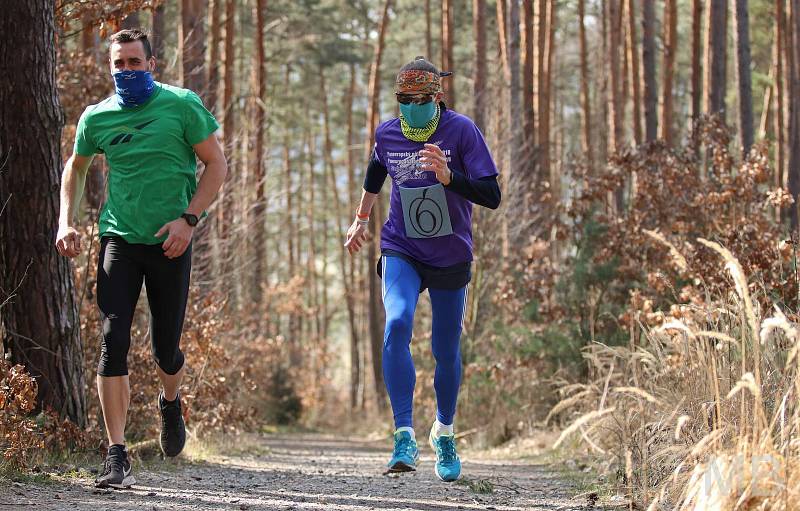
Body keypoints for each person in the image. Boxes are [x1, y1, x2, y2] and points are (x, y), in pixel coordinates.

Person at [55, 29, 227, 489]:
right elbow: (76, 164)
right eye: (120, 65)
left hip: (171, 240)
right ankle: (117, 455)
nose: (127, 71)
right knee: (113, 339)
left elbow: (217, 164)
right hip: (119, 238)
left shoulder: (182, 104)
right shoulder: (98, 116)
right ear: (110, 68)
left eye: (135, 62)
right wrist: (64, 222)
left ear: (152, 63)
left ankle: (170, 401)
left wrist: (189, 220)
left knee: (165, 348)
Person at [344, 56, 501, 482]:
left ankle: (444, 432)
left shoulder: (462, 131)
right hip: (402, 247)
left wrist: (450, 177)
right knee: (397, 323)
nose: (411, 105)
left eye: (420, 98)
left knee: (445, 350)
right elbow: (377, 168)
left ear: (436, 97)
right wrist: (360, 219)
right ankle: (403, 435)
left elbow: (492, 194)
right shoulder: (389, 133)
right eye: (403, 99)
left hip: (451, 253)